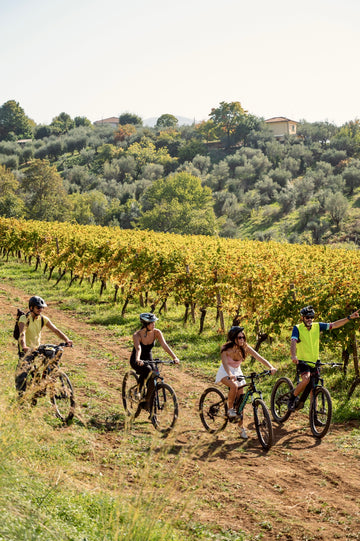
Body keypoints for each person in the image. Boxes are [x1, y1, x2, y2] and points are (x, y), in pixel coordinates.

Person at [289, 305, 359, 411]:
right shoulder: (297, 328)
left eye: (311, 317)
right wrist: (293, 355)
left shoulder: (318, 326)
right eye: (307, 317)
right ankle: (292, 398)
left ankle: (314, 414)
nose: (310, 319)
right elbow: (293, 342)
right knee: (306, 379)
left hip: (315, 361)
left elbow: (334, 324)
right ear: (302, 318)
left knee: (314, 388)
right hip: (303, 361)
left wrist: (349, 318)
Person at [215, 326, 277, 439]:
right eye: (239, 337)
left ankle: (240, 428)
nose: (242, 339)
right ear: (234, 338)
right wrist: (230, 374)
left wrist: (271, 367)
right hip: (226, 371)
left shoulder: (245, 347)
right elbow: (224, 364)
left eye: (243, 337)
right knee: (234, 386)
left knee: (241, 403)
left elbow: (259, 357)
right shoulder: (225, 349)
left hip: (237, 372)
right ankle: (229, 409)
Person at [15, 295, 73, 395]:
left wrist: (67, 340)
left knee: (55, 352)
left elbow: (56, 330)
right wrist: (24, 346)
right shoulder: (24, 318)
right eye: (38, 307)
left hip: (37, 347)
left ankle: (47, 381)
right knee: (22, 374)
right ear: (31, 307)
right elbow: (22, 334)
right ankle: (21, 397)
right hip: (26, 350)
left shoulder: (42, 319)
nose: (40, 309)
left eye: (42, 307)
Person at [130, 313, 179, 410]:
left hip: (148, 357)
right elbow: (138, 348)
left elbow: (164, 345)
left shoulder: (157, 332)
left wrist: (174, 357)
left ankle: (148, 403)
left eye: (154, 323)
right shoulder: (137, 335)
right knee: (147, 370)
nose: (154, 325)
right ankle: (138, 390)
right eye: (151, 323)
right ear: (145, 324)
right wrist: (138, 359)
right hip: (137, 358)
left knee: (154, 376)